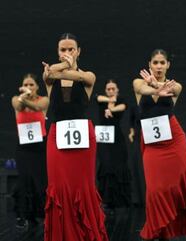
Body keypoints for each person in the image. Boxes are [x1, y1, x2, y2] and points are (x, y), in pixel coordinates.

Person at [42, 33, 108, 241]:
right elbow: (48, 75)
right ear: (57, 52)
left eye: (71, 49)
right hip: (57, 136)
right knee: (59, 186)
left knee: (82, 186)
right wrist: (60, 68)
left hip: (83, 137)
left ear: (78, 52)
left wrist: (62, 67)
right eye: (63, 49)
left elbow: (80, 77)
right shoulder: (50, 78)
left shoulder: (88, 76)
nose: (67, 53)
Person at [133, 49, 186, 241]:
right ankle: (159, 230)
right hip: (152, 144)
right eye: (155, 63)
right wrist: (154, 88)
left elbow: (174, 90)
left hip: (174, 140)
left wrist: (159, 86)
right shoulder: (139, 82)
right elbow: (141, 89)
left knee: (180, 183)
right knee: (155, 189)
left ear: (168, 65)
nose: (159, 66)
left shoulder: (175, 86)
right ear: (149, 64)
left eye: (163, 63)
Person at [11, 73, 49, 229]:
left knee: (41, 181)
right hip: (23, 147)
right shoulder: (16, 100)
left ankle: (45, 215)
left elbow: (38, 108)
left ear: (37, 87)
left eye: (31, 85)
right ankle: (24, 215)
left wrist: (26, 97)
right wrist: (23, 97)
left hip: (39, 146)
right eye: (25, 85)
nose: (28, 87)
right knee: (24, 181)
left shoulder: (43, 99)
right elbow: (19, 107)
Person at [96, 79, 131, 212]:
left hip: (116, 137)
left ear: (117, 90)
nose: (110, 91)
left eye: (113, 89)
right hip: (104, 137)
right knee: (105, 165)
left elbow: (122, 107)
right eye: (108, 89)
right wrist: (110, 101)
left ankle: (120, 201)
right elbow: (98, 98)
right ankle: (106, 200)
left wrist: (112, 108)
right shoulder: (100, 99)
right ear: (105, 90)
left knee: (118, 165)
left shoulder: (122, 100)